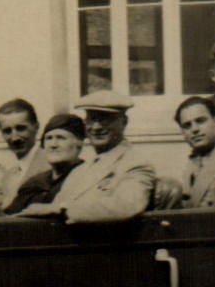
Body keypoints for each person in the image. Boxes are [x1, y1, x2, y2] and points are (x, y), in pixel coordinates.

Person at [14, 91, 156, 223]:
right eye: (91, 119)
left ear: (124, 122)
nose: (96, 127)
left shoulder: (134, 163)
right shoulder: (81, 170)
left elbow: (127, 205)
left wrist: (61, 210)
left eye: (105, 119)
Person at [3, 114, 87, 213]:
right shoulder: (34, 183)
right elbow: (7, 218)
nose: (53, 145)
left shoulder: (87, 178)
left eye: (61, 138)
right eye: (49, 138)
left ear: (79, 144)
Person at [0, 98, 45, 209]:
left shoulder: (51, 164)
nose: (15, 137)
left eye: (21, 128)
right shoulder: (8, 175)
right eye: (7, 131)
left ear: (36, 127)